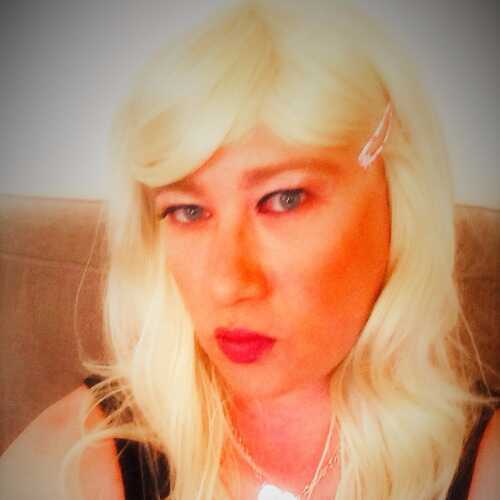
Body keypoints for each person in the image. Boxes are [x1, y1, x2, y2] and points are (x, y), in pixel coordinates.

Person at [1, 1, 498, 499]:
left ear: (396, 200)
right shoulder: (68, 464)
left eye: (284, 199)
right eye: (187, 210)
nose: (228, 284)